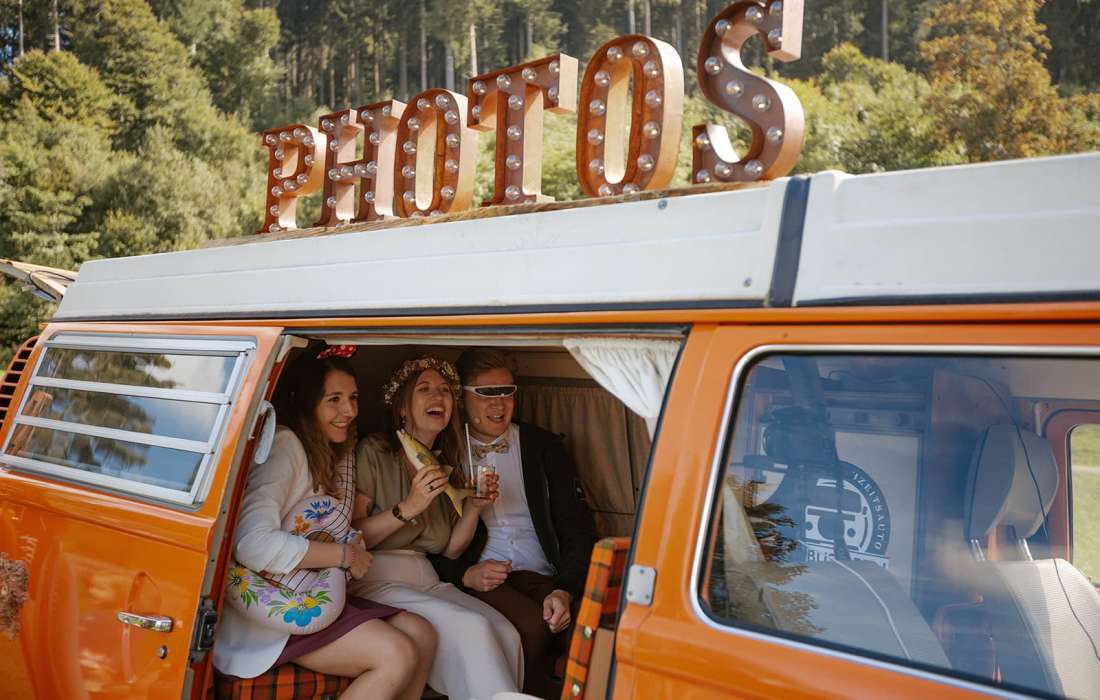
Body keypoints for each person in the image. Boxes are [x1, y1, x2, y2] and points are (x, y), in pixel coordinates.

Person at [213, 347, 436, 700]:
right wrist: (343, 556)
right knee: (396, 654)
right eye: (334, 400)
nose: (349, 411)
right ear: (307, 404)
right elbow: (251, 543)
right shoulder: (287, 448)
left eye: (353, 398)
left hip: (315, 593)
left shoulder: (334, 453)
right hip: (271, 613)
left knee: (422, 633)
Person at [350, 355, 524, 700]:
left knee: (507, 633)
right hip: (376, 579)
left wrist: (474, 508)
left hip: (428, 580)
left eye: (445, 390)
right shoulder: (375, 451)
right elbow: (352, 536)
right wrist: (408, 507)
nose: (438, 397)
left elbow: (451, 550)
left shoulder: (445, 465)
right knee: (472, 628)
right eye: (424, 389)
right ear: (402, 407)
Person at [432, 348, 598, 698]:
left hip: (545, 573)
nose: (499, 403)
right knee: (532, 628)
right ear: (461, 397)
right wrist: (463, 573)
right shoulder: (443, 453)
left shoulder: (543, 447)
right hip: (482, 576)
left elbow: (577, 528)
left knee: (587, 630)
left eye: (507, 391)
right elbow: (426, 541)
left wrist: (565, 588)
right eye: (486, 393)